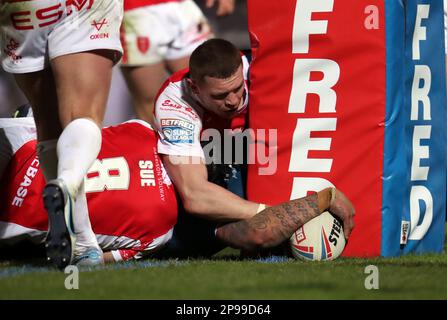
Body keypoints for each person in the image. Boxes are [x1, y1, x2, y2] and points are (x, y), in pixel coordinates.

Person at [0, 115, 355, 263]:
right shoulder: (158, 233)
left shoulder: (143, 131)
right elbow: (92, 260)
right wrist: (323, 198)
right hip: (20, 216)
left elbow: (81, 128)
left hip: (22, 147)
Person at [0, 0, 124, 268]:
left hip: (22, 10)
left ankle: (83, 242)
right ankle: (66, 182)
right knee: (82, 115)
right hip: (80, 6)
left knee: (48, 122)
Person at [120, 0, 235, 126]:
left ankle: (220, 142)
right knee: (152, 103)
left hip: (181, 6)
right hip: (136, 11)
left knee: (214, 83)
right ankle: (159, 145)